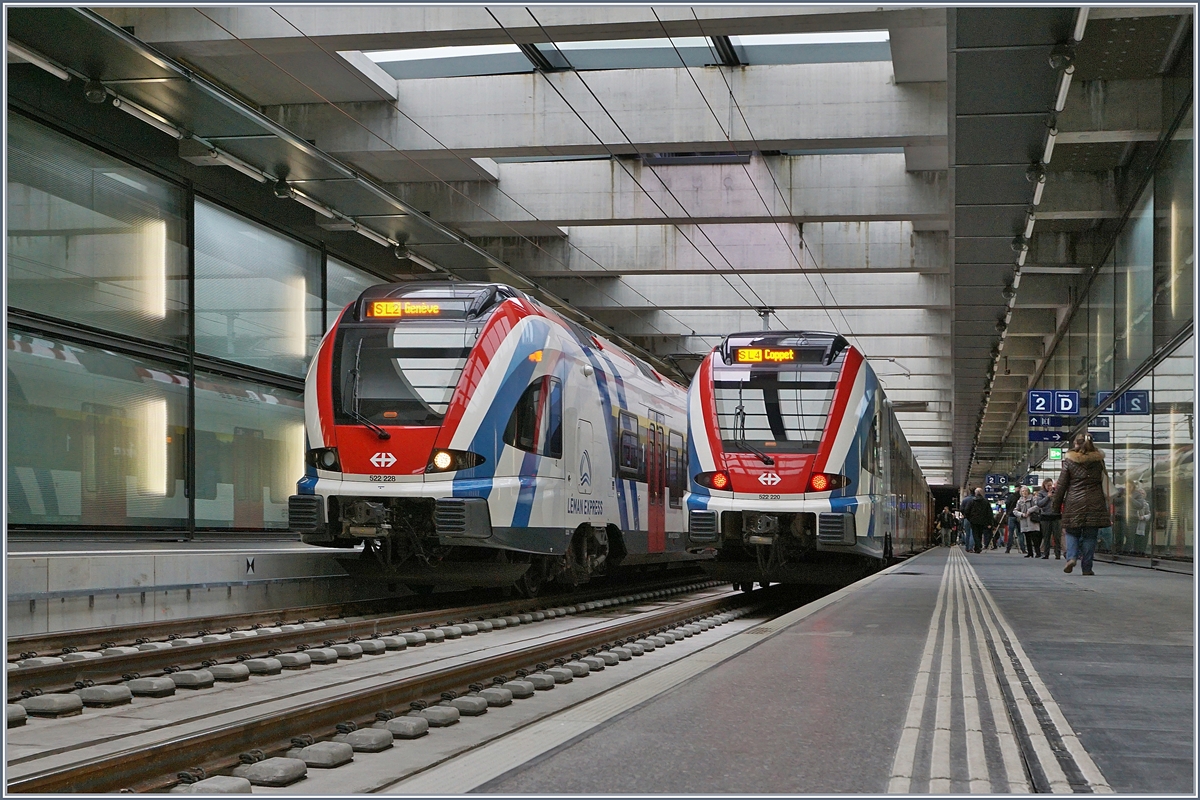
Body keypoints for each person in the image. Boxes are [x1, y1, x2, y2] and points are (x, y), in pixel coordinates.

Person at [1050, 434, 1112, 576]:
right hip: (1095, 501)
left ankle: (1071, 558)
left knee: (1072, 532)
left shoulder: (1070, 461)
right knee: (1090, 536)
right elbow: (1105, 479)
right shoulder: (1098, 461)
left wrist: (1055, 507)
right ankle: (1087, 567)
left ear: (1075, 444)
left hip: (1074, 502)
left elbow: (1061, 486)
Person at [963, 488, 995, 554]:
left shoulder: (971, 501)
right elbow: (989, 513)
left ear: (975, 493)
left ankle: (978, 546)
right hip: (982, 520)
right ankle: (977, 548)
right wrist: (989, 522)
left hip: (973, 520)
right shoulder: (986, 502)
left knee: (975, 534)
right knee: (980, 534)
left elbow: (966, 511)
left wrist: (969, 518)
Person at [1014, 485, 1042, 558]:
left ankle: (1038, 552)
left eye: (1026, 491)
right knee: (1027, 538)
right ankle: (1030, 553)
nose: (1024, 492)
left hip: (1032, 521)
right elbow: (1015, 510)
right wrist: (1021, 514)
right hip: (1024, 521)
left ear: (1028, 491)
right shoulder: (1020, 501)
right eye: (1023, 491)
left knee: (1035, 538)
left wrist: (1029, 511)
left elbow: (1037, 506)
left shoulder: (1033, 498)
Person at [1035, 478, 1060, 558]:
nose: (1049, 487)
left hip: (1056, 516)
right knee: (1046, 536)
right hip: (1045, 516)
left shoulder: (1057, 492)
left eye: (1051, 485)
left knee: (1057, 536)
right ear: (1044, 485)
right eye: (1048, 485)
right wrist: (1048, 497)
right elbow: (1039, 504)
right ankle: (1046, 553)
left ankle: (1058, 554)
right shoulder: (1041, 493)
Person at [1004, 488, 1024, 554]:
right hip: (1019, 516)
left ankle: (1008, 548)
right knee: (1020, 533)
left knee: (1011, 533)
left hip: (1011, 515)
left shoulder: (1011, 496)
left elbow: (1007, 504)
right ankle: (1023, 548)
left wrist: (1007, 512)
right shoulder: (1022, 497)